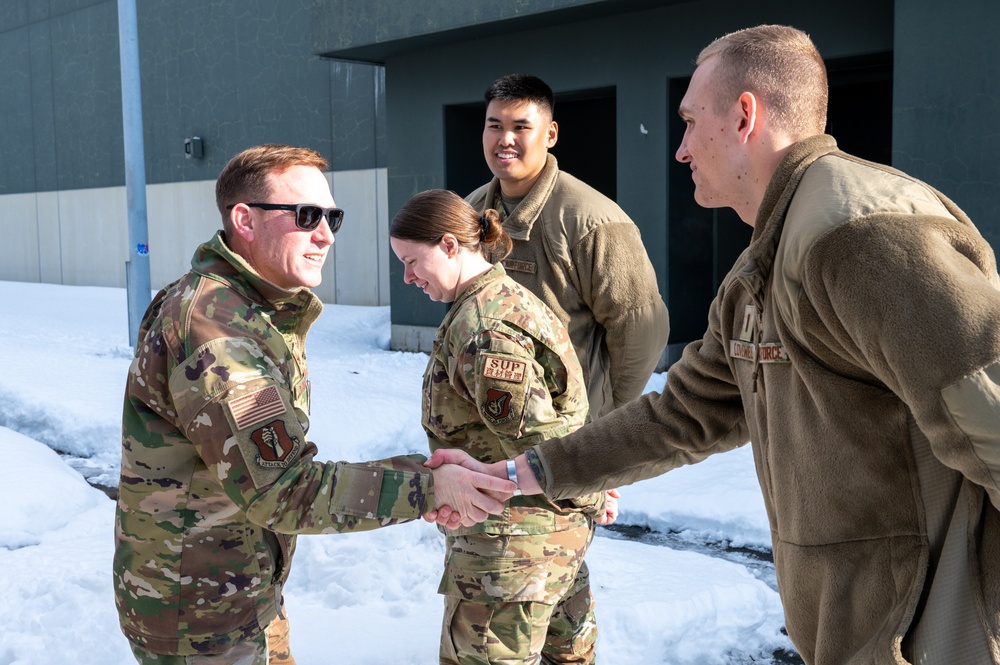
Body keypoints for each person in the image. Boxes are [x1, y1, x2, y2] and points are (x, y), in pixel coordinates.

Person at [432, 25, 1000, 665]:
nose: (679, 150)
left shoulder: (861, 234)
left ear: (745, 115)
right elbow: (682, 415)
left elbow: (990, 415)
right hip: (862, 626)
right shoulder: (766, 262)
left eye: (690, 122)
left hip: (936, 629)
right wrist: (524, 473)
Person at [113, 145, 514, 665]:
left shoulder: (254, 311)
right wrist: (429, 485)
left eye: (332, 217)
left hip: (239, 590)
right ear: (245, 220)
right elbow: (283, 489)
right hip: (200, 617)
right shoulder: (214, 329)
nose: (325, 234)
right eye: (306, 216)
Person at [390, 189, 619, 665]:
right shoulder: (506, 299)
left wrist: (593, 491)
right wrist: (593, 484)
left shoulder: (483, 330)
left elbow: (541, 443)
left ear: (450, 245)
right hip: (544, 548)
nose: (407, 277)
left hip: (509, 560)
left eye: (412, 261)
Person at [466, 73, 669, 421]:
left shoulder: (593, 221)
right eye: (495, 126)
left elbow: (642, 329)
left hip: (567, 438)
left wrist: (603, 414)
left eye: (521, 127)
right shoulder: (469, 211)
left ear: (551, 134)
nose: (505, 139)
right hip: (489, 427)